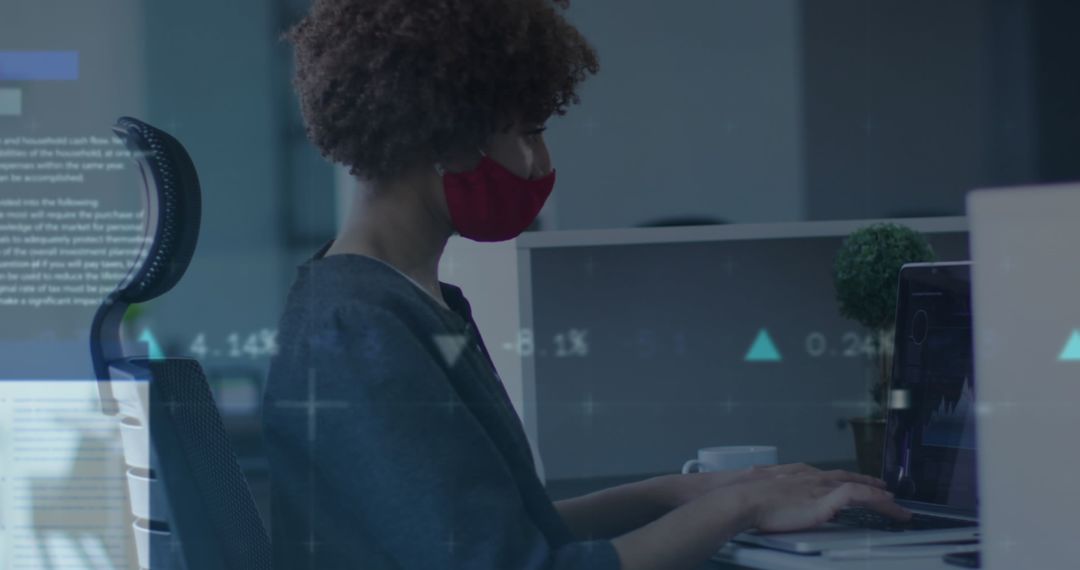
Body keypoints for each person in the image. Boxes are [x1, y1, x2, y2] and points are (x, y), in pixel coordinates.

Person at [262, 1, 912, 568]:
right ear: (447, 135)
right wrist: (741, 507)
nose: (542, 164)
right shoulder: (360, 328)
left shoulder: (406, 302)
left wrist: (674, 494)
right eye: (529, 133)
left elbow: (509, 530)